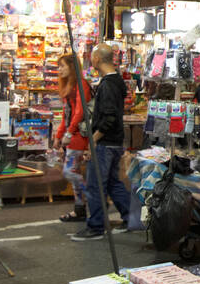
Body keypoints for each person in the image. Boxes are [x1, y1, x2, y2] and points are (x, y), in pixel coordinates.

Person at [71, 44, 138, 240]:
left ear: (98, 59)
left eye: (92, 57)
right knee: (112, 184)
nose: (90, 60)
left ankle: (96, 227)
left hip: (106, 142)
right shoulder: (115, 81)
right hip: (114, 141)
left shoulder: (108, 85)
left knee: (96, 185)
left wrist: (93, 140)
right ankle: (130, 218)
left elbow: (108, 118)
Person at [55, 53, 92, 224]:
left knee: (70, 172)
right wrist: (59, 135)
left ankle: (91, 199)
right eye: (58, 66)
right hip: (72, 136)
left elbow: (80, 112)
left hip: (79, 137)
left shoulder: (81, 85)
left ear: (72, 66)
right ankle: (80, 209)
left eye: (62, 66)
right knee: (72, 172)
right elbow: (66, 113)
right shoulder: (70, 87)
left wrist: (68, 133)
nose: (59, 69)